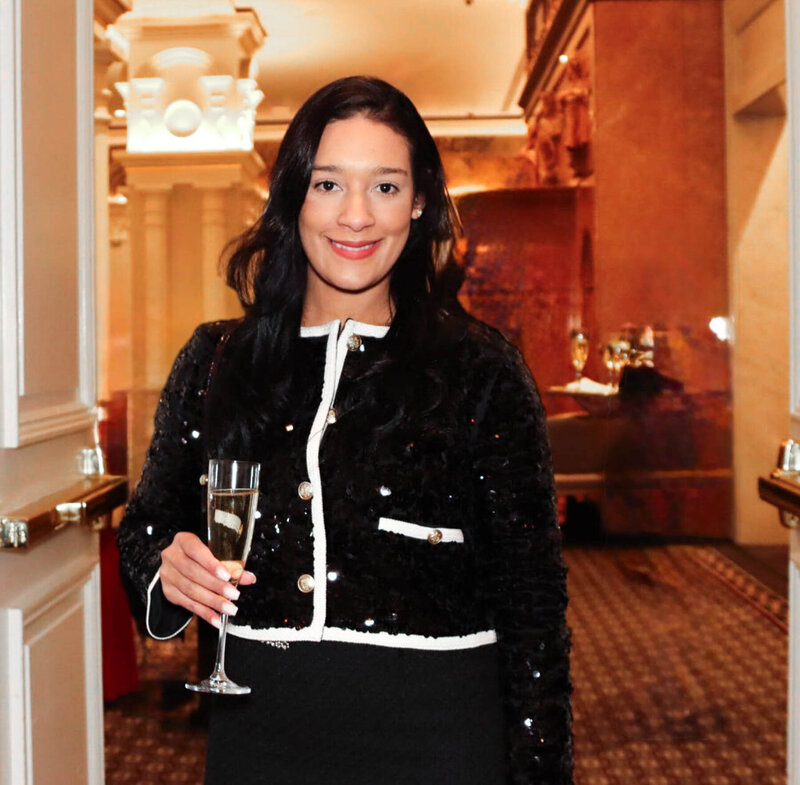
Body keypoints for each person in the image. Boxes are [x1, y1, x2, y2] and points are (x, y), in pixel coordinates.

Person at [117, 75, 573, 785]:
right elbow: (146, 528)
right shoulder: (214, 361)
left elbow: (534, 603)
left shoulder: (480, 370)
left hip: (439, 736)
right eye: (329, 184)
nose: (356, 215)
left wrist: (541, 770)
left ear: (419, 201)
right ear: (293, 194)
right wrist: (164, 569)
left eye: (385, 187)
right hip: (258, 730)